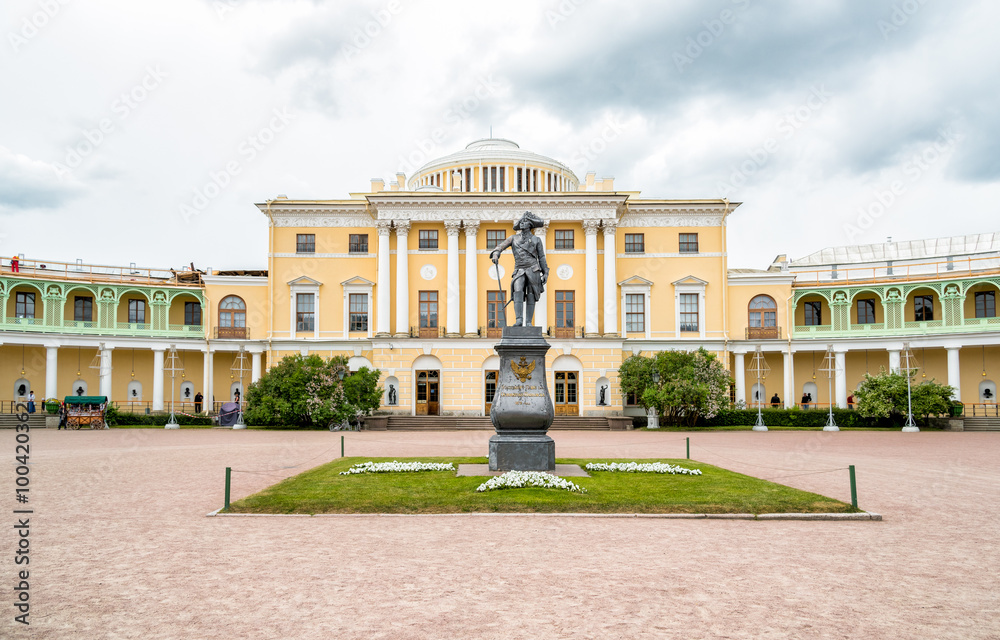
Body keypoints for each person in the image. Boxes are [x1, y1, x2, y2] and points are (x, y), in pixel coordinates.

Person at [489, 211, 549, 327]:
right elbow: (500, 246)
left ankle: (528, 322)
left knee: (531, 294)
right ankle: (519, 320)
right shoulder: (513, 238)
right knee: (518, 291)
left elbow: (541, 257)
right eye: (521, 221)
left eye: (525, 221)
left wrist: (545, 272)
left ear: (530, 225)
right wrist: (496, 253)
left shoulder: (536, 240)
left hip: (533, 269)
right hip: (519, 269)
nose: (522, 223)